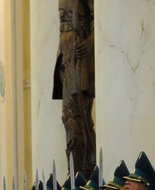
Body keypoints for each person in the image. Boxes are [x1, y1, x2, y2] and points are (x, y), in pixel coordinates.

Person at [53, 0, 96, 175]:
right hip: (66, 57)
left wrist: (89, 43)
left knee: (75, 117)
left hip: (79, 60)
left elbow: (99, 19)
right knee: (72, 118)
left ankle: (81, 173)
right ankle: (80, 172)